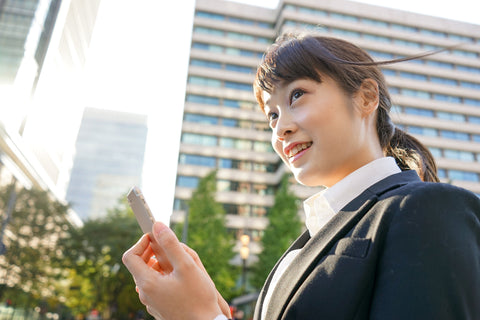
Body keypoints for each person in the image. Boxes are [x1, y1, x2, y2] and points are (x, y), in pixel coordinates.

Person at [122, 32, 480, 319]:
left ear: (366, 97)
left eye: (297, 95)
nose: (280, 129)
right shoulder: (310, 238)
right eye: (272, 116)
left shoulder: (430, 209)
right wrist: (206, 306)